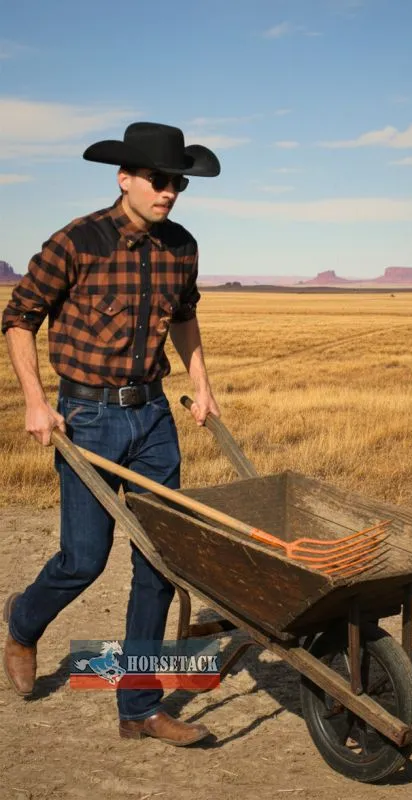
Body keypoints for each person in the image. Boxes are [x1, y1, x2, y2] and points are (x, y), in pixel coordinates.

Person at [1, 122, 221, 747]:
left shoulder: (181, 246)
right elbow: (19, 319)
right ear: (124, 178)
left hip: (152, 416)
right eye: (158, 179)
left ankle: (140, 709)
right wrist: (37, 403)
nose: (169, 192)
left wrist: (201, 384)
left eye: (177, 182)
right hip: (88, 419)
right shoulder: (79, 240)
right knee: (84, 560)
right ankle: (22, 622)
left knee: (159, 561)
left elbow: (184, 317)